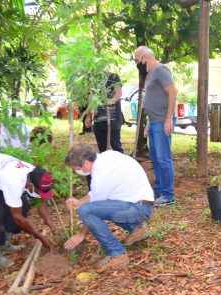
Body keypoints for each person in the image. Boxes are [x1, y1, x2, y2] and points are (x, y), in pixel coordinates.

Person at [62, 144, 154, 273]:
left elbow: (93, 209)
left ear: (86, 163)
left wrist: (81, 234)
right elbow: (96, 195)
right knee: (97, 206)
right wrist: (79, 202)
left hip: (135, 209)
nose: (76, 171)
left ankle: (117, 254)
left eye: (76, 168)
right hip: (143, 204)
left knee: (85, 211)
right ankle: (137, 229)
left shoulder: (100, 175)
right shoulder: (108, 156)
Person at [0, 153, 56, 269]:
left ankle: (5, 242)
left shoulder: (34, 173)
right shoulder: (15, 182)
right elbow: (18, 217)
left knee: (23, 206)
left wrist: (52, 226)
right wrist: (40, 237)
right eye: (39, 191)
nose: (40, 194)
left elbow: (41, 202)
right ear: (30, 184)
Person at [134, 45, 177, 206]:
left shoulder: (160, 70)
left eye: (137, 60)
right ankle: (159, 191)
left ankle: (168, 195)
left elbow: (173, 92)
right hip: (153, 122)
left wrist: (168, 119)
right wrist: (147, 124)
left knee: (163, 158)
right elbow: (150, 99)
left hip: (162, 121)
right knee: (155, 159)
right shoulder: (150, 74)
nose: (137, 63)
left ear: (145, 57)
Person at [90, 72, 125, 152]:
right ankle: (105, 164)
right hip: (98, 120)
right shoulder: (94, 79)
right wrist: (90, 115)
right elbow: (92, 98)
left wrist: (109, 101)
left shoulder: (113, 77)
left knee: (116, 146)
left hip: (113, 119)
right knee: (102, 148)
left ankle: (120, 164)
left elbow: (118, 93)